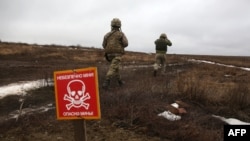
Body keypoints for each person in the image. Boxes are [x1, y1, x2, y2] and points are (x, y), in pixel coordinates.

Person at [102, 18, 128, 89]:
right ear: (119, 26)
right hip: (117, 54)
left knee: (116, 68)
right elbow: (126, 44)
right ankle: (106, 83)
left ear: (112, 25)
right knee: (113, 68)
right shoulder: (121, 34)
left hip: (108, 55)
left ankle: (120, 81)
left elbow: (104, 45)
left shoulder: (107, 35)